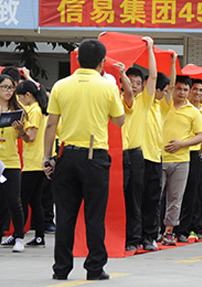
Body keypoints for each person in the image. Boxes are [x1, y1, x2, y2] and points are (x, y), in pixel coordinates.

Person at [43, 39, 125, 280]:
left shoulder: (60, 85)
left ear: (78, 60)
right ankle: (94, 268)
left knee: (65, 215)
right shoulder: (106, 86)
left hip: (66, 154)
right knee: (94, 215)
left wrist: (47, 157)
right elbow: (119, 121)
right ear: (102, 62)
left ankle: (61, 269)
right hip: (94, 156)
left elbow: (51, 124)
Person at [120, 36, 157, 252]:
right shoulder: (115, 97)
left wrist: (150, 48)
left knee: (135, 198)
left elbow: (152, 76)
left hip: (134, 154)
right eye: (129, 82)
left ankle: (134, 238)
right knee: (118, 199)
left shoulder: (143, 101)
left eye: (137, 83)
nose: (133, 86)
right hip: (115, 153)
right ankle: (119, 235)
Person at [159, 75, 202, 246]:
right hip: (160, 158)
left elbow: (201, 136)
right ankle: (152, 231)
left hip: (182, 160)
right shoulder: (165, 105)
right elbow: (169, 83)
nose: (182, 92)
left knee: (175, 198)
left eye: (186, 89)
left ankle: (168, 232)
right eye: (179, 88)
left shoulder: (193, 112)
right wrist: (172, 62)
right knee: (156, 197)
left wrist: (181, 144)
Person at [14, 80, 50, 248]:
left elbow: (31, 137)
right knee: (35, 201)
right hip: (37, 161)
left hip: (33, 163)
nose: (19, 100)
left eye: (20, 97)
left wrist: (21, 132)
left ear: (27, 96)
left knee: (22, 199)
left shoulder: (34, 111)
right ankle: (39, 236)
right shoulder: (38, 110)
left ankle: (17, 235)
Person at [140, 69, 173, 251]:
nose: (167, 93)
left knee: (153, 201)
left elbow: (172, 83)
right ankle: (136, 236)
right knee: (139, 200)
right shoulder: (142, 103)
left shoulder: (160, 108)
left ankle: (149, 236)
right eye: (165, 90)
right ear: (157, 90)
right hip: (140, 157)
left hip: (155, 157)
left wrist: (172, 62)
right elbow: (152, 79)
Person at [0, 74, 26, 253]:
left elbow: (27, 138)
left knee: (14, 200)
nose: (9, 91)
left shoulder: (18, 109)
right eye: (5, 87)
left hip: (11, 161)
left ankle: (19, 238)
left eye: (11, 88)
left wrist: (21, 130)